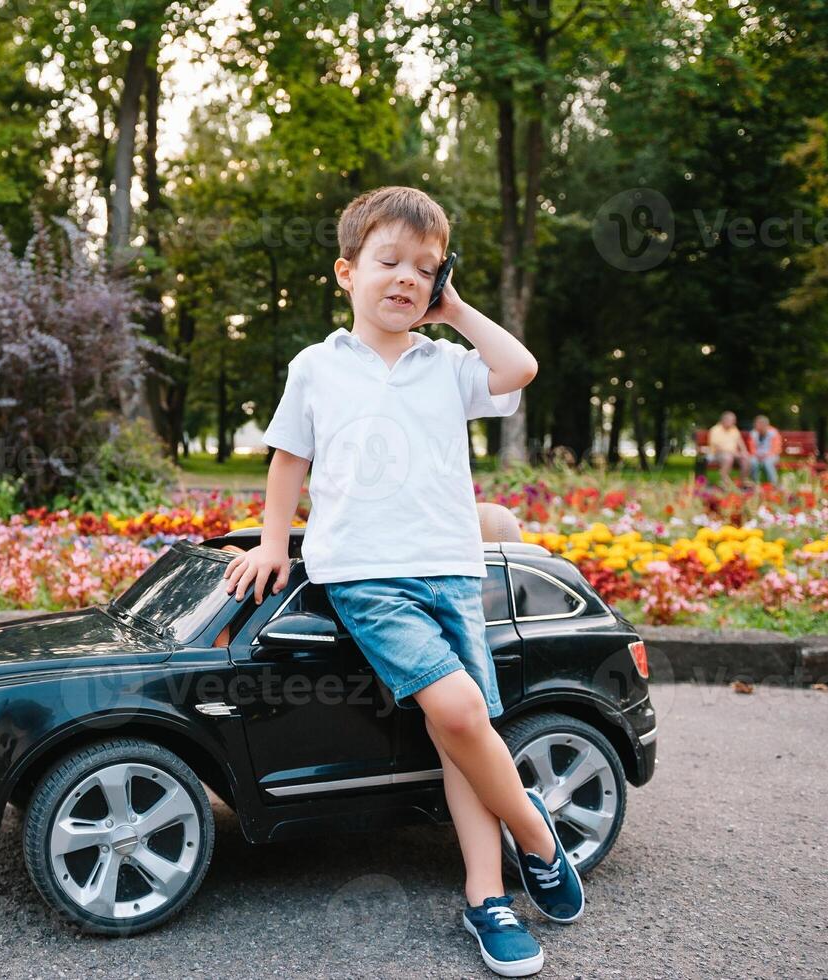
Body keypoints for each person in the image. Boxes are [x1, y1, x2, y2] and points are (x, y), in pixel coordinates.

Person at [222, 186, 580, 977]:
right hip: (368, 576)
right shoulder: (318, 366)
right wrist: (275, 542)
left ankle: (486, 898)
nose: (406, 279)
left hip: (451, 569)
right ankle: (537, 835)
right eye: (388, 262)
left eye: (425, 269)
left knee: (465, 742)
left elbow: (518, 366)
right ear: (346, 271)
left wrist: (453, 311)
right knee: (455, 710)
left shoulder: (445, 364)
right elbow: (290, 459)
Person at [706, 411, 749, 484]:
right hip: (719, 453)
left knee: (746, 458)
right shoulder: (715, 429)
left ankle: (743, 481)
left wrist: (744, 452)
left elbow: (740, 442)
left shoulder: (734, 429)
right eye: (732, 420)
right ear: (724, 420)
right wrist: (733, 453)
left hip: (734, 453)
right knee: (728, 458)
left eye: (734, 420)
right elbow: (717, 447)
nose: (734, 422)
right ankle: (724, 481)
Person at [748, 414, 781, 485]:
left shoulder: (773, 432)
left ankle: (774, 484)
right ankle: (755, 483)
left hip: (772, 455)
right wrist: (757, 455)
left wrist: (767, 455)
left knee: (767, 463)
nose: (755, 425)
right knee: (753, 462)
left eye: (757, 423)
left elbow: (776, 448)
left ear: (764, 424)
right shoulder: (753, 433)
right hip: (757, 456)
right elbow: (752, 448)